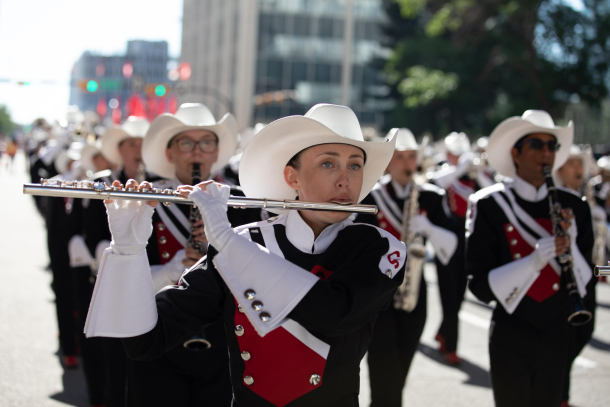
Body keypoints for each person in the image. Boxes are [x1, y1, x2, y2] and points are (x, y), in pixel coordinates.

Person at [84, 103, 406, 406]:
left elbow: (334, 314)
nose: (344, 179)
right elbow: (145, 341)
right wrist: (129, 248)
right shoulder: (246, 241)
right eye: (327, 163)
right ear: (292, 177)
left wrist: (226, 239)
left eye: (355, 165)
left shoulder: (378, 248)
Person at [125, 103, 262, 406]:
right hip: (159, 336)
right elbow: (124, 283)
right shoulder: (146, 201)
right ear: (170, 153)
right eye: (186, 143)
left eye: (206, 143)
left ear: (216, 152)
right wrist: (174, 269)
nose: (197, 152)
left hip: (225, 345)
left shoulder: (243, 203)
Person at [466, 110, 595, 407]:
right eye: (537, 145)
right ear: (516, 152)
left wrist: (571, 245)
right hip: (511, 331)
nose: (547, 153)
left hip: (558, 329)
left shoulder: (575, 205)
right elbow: (480, 286)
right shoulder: (489, 205)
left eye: (552, 146)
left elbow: (587, 284)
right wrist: (534, 262)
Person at [356, 128, 457, 407]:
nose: (407, 163)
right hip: (378, 295)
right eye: (400, 157)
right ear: (388, 162)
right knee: (384, 372)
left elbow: (451, 249)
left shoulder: (431, 197)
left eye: (412, 157)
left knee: (401, 371)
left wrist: (429, 228)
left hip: (415, 293)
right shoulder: (371, 197)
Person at [82, 116, 159, 407]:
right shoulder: (101, 183)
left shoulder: (157, 184)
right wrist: (124, 249)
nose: (137, 149)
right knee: (115, 364)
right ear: (120, 149)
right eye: (131, 144)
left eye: (142, 143)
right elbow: (91, 238)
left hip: (152, 285)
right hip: (115, 281)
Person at [428, 131, 492, 364]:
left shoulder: (474, 177)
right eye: (454, 154)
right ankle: (451, 346)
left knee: (459, 295)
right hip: (446, 241)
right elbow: (436, 182)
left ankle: (444, 333)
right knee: (448, 294)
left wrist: (475, 169)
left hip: (468, 242)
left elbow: (490, 190)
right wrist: (461, 167)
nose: (458, 157)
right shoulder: (444, 172)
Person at [554, 145, 600, 407]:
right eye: (572, 164)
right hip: (564, 280)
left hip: (588, 275)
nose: (578, 169)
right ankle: (561, 396)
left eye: (580, 164)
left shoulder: (585, 198)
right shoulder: (559, 201)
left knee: (583, 332)